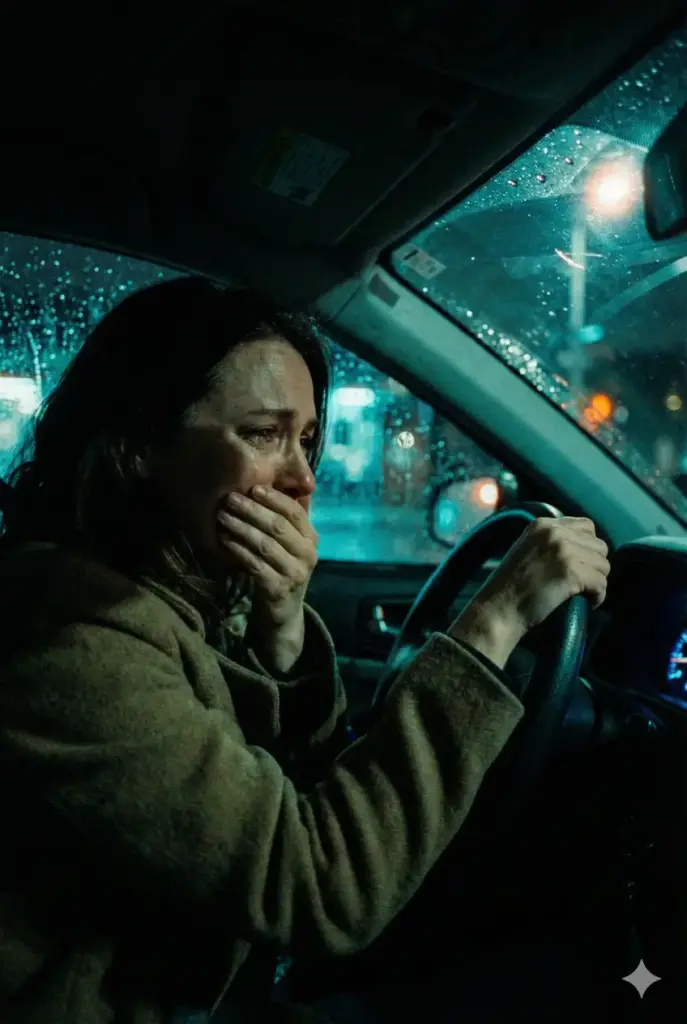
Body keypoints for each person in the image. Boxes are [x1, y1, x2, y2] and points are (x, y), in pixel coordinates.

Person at [0, 278, 610, 1024]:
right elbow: (321, 890)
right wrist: (491, 626)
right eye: (263, 434)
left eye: (308, 438)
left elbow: (293, 785)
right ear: (140, 446)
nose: (302, 478)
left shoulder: (168, 589)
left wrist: (281, 628)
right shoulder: (65, 641)